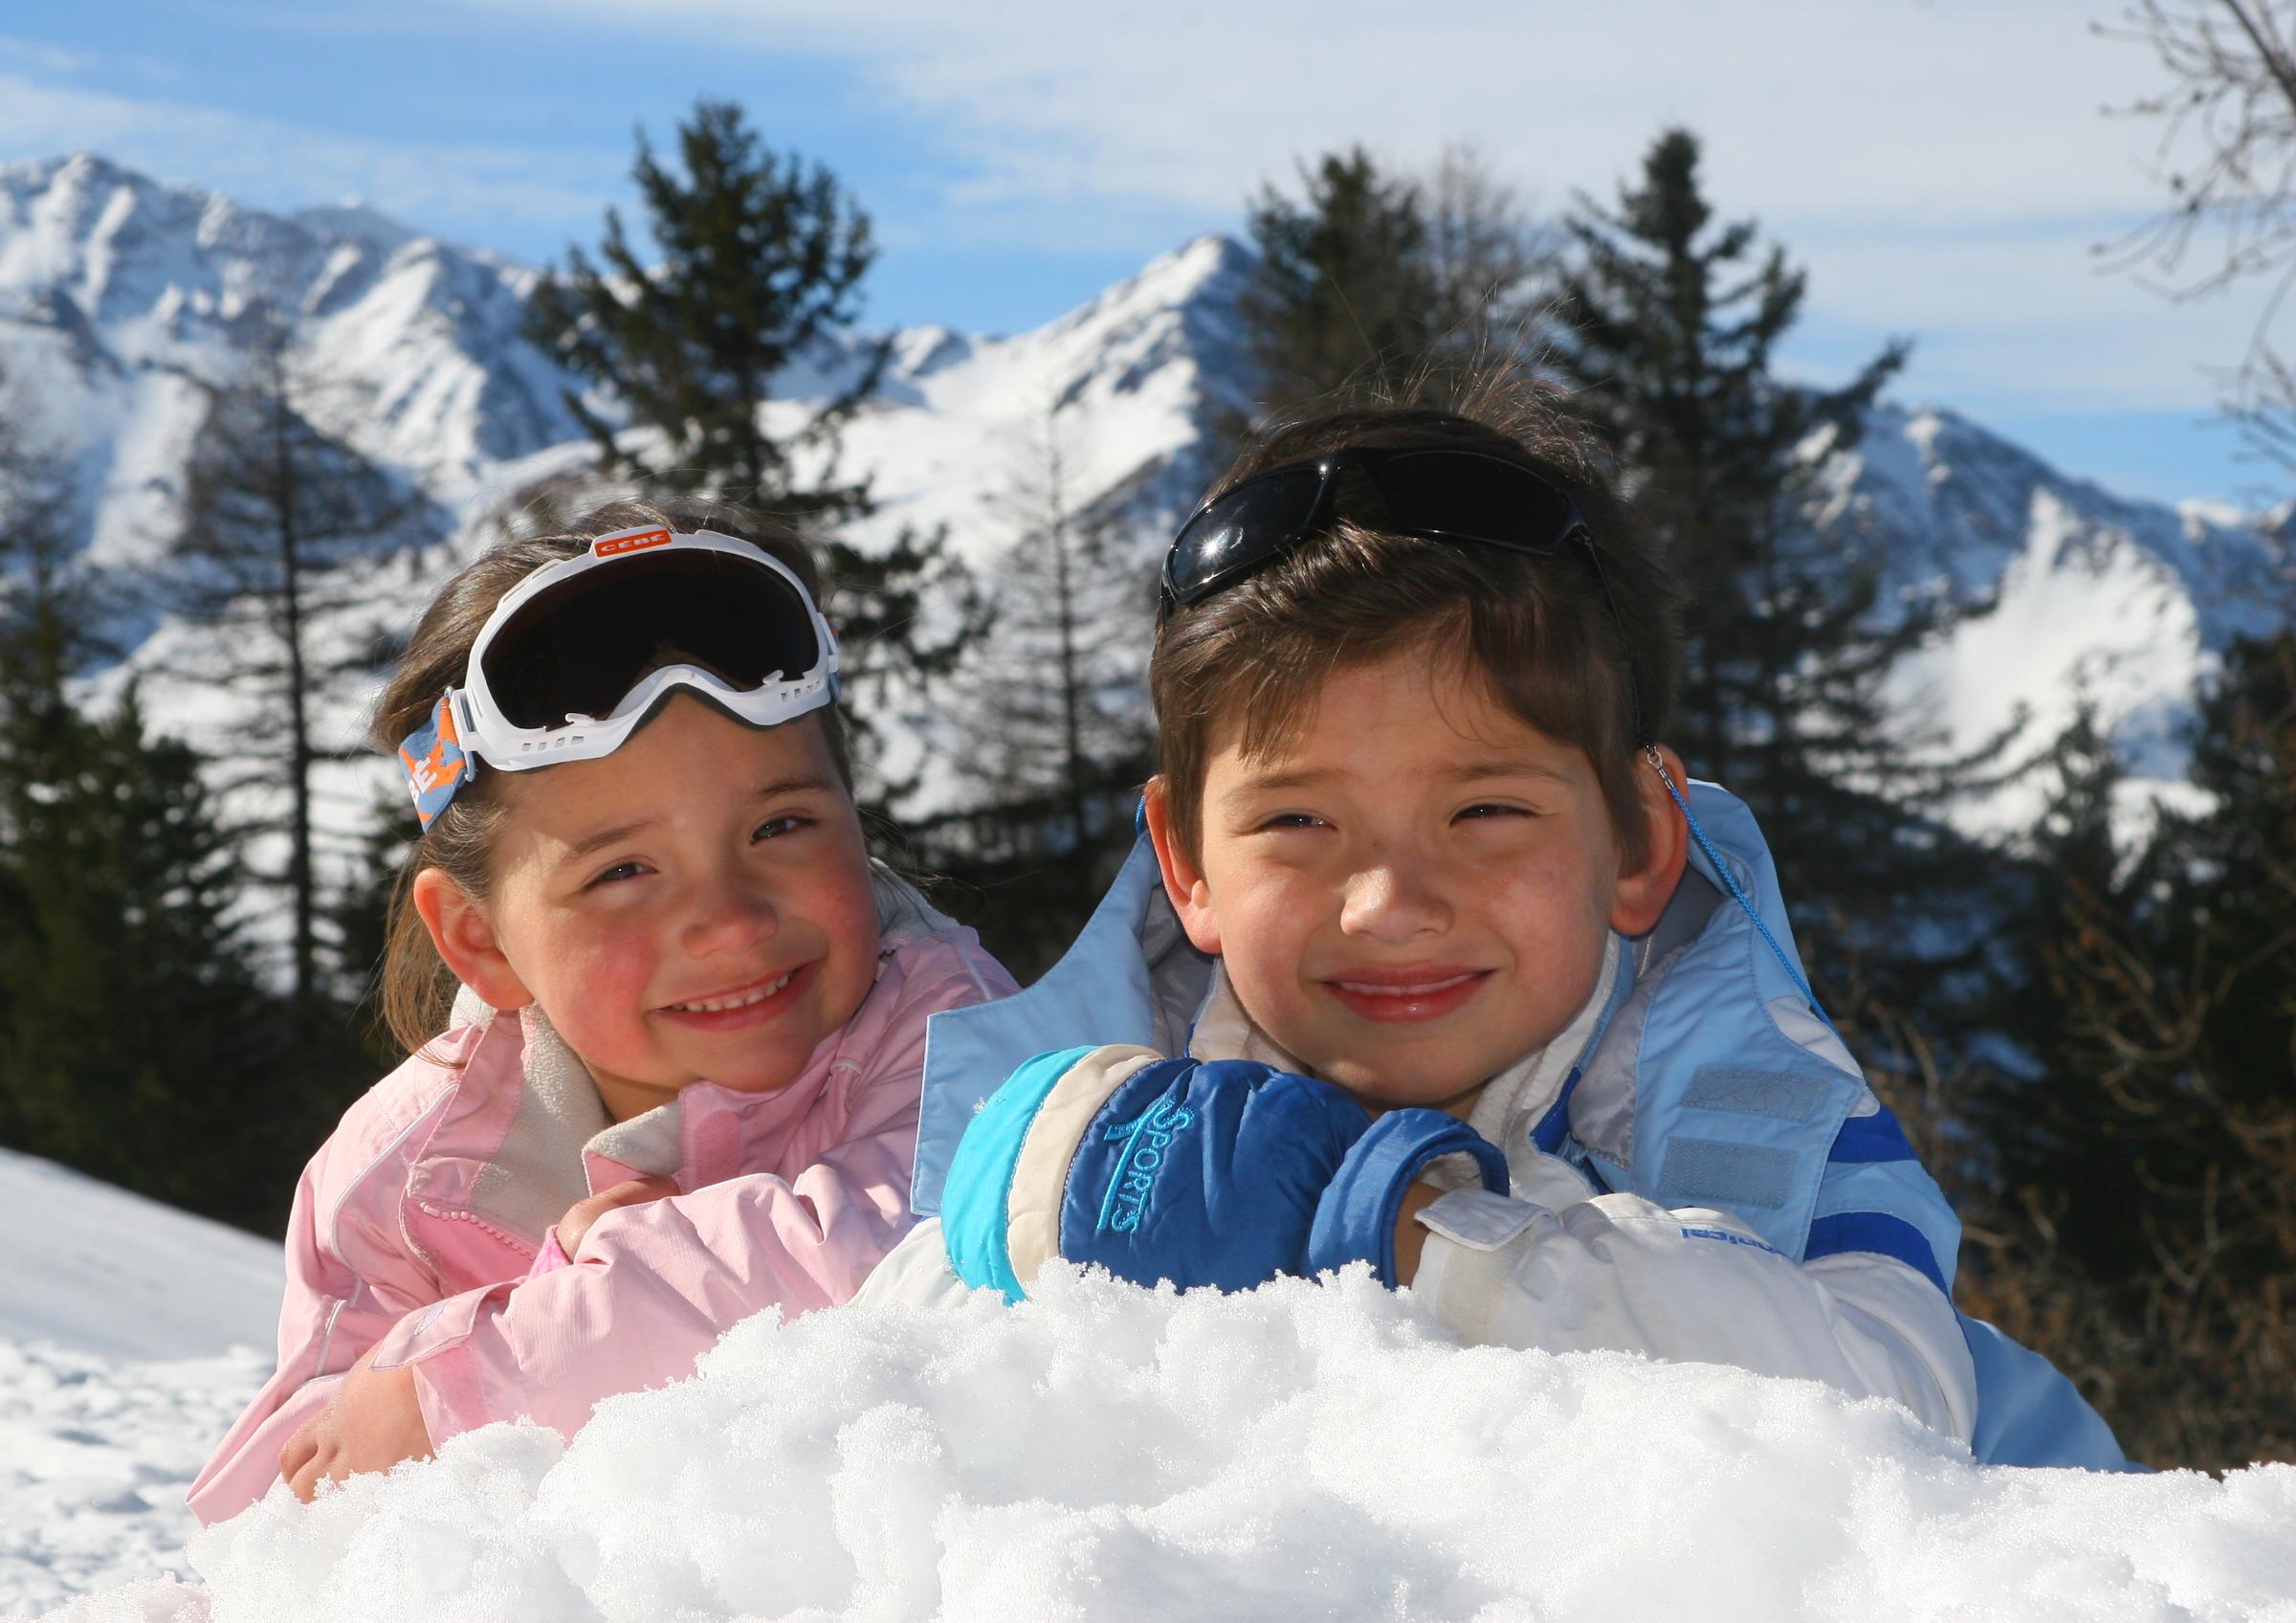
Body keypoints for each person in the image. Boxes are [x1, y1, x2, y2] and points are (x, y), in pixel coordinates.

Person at [856, 382, 2129, 1470]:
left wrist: (1413, 1239)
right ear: (1186, 864)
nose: (1392, 902)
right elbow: (881, 1380)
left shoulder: (1746, 1105)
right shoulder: (1135, 1108)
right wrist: (1036, 1205)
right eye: (1299, 823)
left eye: (1485, 809)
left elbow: (1882, 1405)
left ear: (1637, 842)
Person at [188, 502, 1018, 1523]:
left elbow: (924, 1247)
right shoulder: (406, 1178)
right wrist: (538, 1291)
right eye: (624, 870)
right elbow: (279, 1499)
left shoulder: (952, 1028)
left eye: (782, 824)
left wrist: (513, 1350)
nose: (729, 919)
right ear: (482, 940)